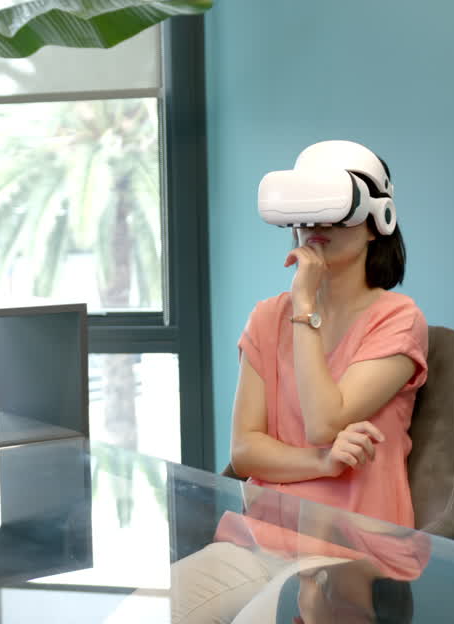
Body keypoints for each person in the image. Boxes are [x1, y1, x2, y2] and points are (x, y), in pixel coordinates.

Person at [170, 140, 430, 624]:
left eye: (330, 214)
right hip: (257, 538)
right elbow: (245, 451)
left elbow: (324, 420)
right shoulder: (268, 318)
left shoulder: (398, 320)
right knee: (152, 611)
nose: (314, 229)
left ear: (377, 224)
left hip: (349, 556)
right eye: (305, 216)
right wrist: (326, 463)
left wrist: (305, 306)